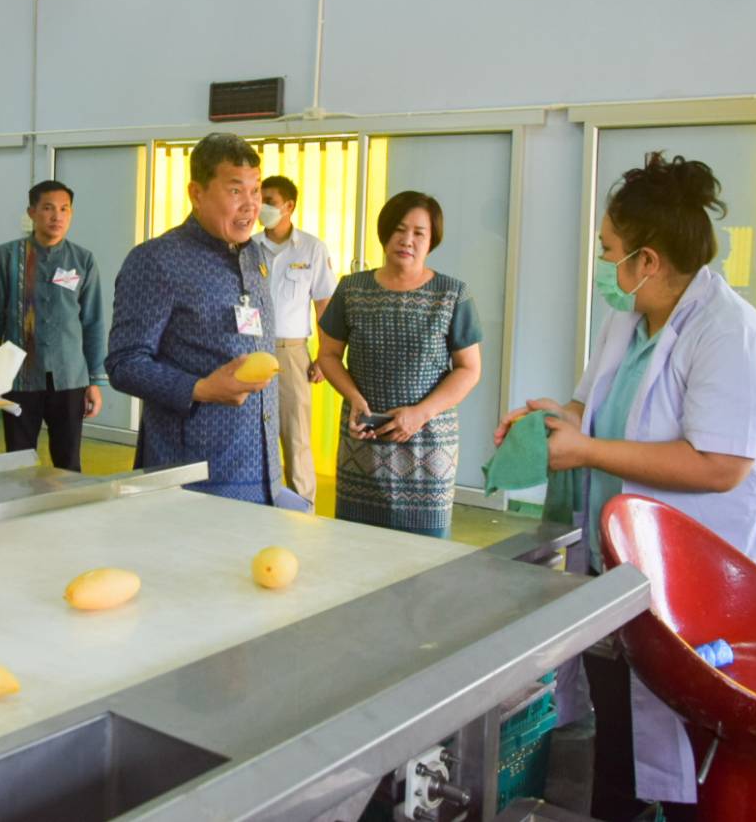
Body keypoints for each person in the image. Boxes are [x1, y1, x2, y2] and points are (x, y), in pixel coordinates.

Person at [492, 153, 756, 820]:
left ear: (648, 260)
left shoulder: (728, 335)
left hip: (702, 586)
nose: (604, 264)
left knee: (694, 765)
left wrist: (587, 447)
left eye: (609, 250)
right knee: (620, 747)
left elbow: (720, 464)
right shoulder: (625, 323)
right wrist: (550, 419)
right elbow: (591, 413)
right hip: (621, 574)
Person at [107, 133, 301, 507]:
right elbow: (124, 363)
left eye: (256, 190)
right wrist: (201, 388)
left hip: (261, 471)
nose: (251, 205)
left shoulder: (254, 255)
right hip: (195, 478)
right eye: (235, 191)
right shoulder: (157, 261)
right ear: (197, 193)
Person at [317, 191, 482, 538]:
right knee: (357, 546)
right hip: (364, 443)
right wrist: (354, 399)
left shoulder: (451, 294)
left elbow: (469, 369)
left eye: (419, 233)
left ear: (431, 239)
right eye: (399, 229)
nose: (407, 240)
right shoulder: (351, 290)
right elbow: (328, 356)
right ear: (385, 233)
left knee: (424, 559)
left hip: (429, 446)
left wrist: (421, 413)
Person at [0, 180, 108, 471]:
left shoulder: (83, 260)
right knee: (17, 459)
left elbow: (93, 322)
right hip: (21, 375)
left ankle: (67, 514)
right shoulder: (7, 257)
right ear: (32, 212)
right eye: (48, 208)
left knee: (68, 460)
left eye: (64, 209)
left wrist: (95, 382)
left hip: (70, 377)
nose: (57, 217)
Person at [254, 175, 337, 505]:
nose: (263, 208)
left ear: (289, 206)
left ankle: (302, 511)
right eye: (260, 200)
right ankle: (260, 503)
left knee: (296, 436)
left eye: (269, 201)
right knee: (256, 435)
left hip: (292, 352)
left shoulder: (311, 248)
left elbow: (324, 304)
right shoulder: (248, 247)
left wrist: (325, 356)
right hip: (252, 350)